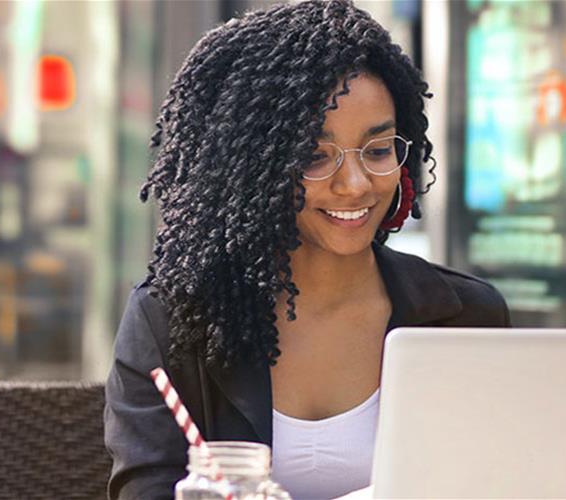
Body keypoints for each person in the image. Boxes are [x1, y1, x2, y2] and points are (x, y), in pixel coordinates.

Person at [103, 3, 510, 499]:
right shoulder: (171, 323)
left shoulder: (465, 317)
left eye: (378, 151)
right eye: (315, 156)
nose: (356, 184)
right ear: (252, 168)